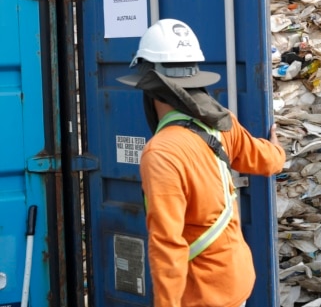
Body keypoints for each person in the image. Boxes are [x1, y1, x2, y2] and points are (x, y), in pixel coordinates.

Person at [117, 18, 285, 307]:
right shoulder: (220, 123)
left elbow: (167, 243)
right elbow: (268, 162)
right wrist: (277, 148)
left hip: (201, 294)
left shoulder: (161, 152)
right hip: (236, 278)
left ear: (151, 88)